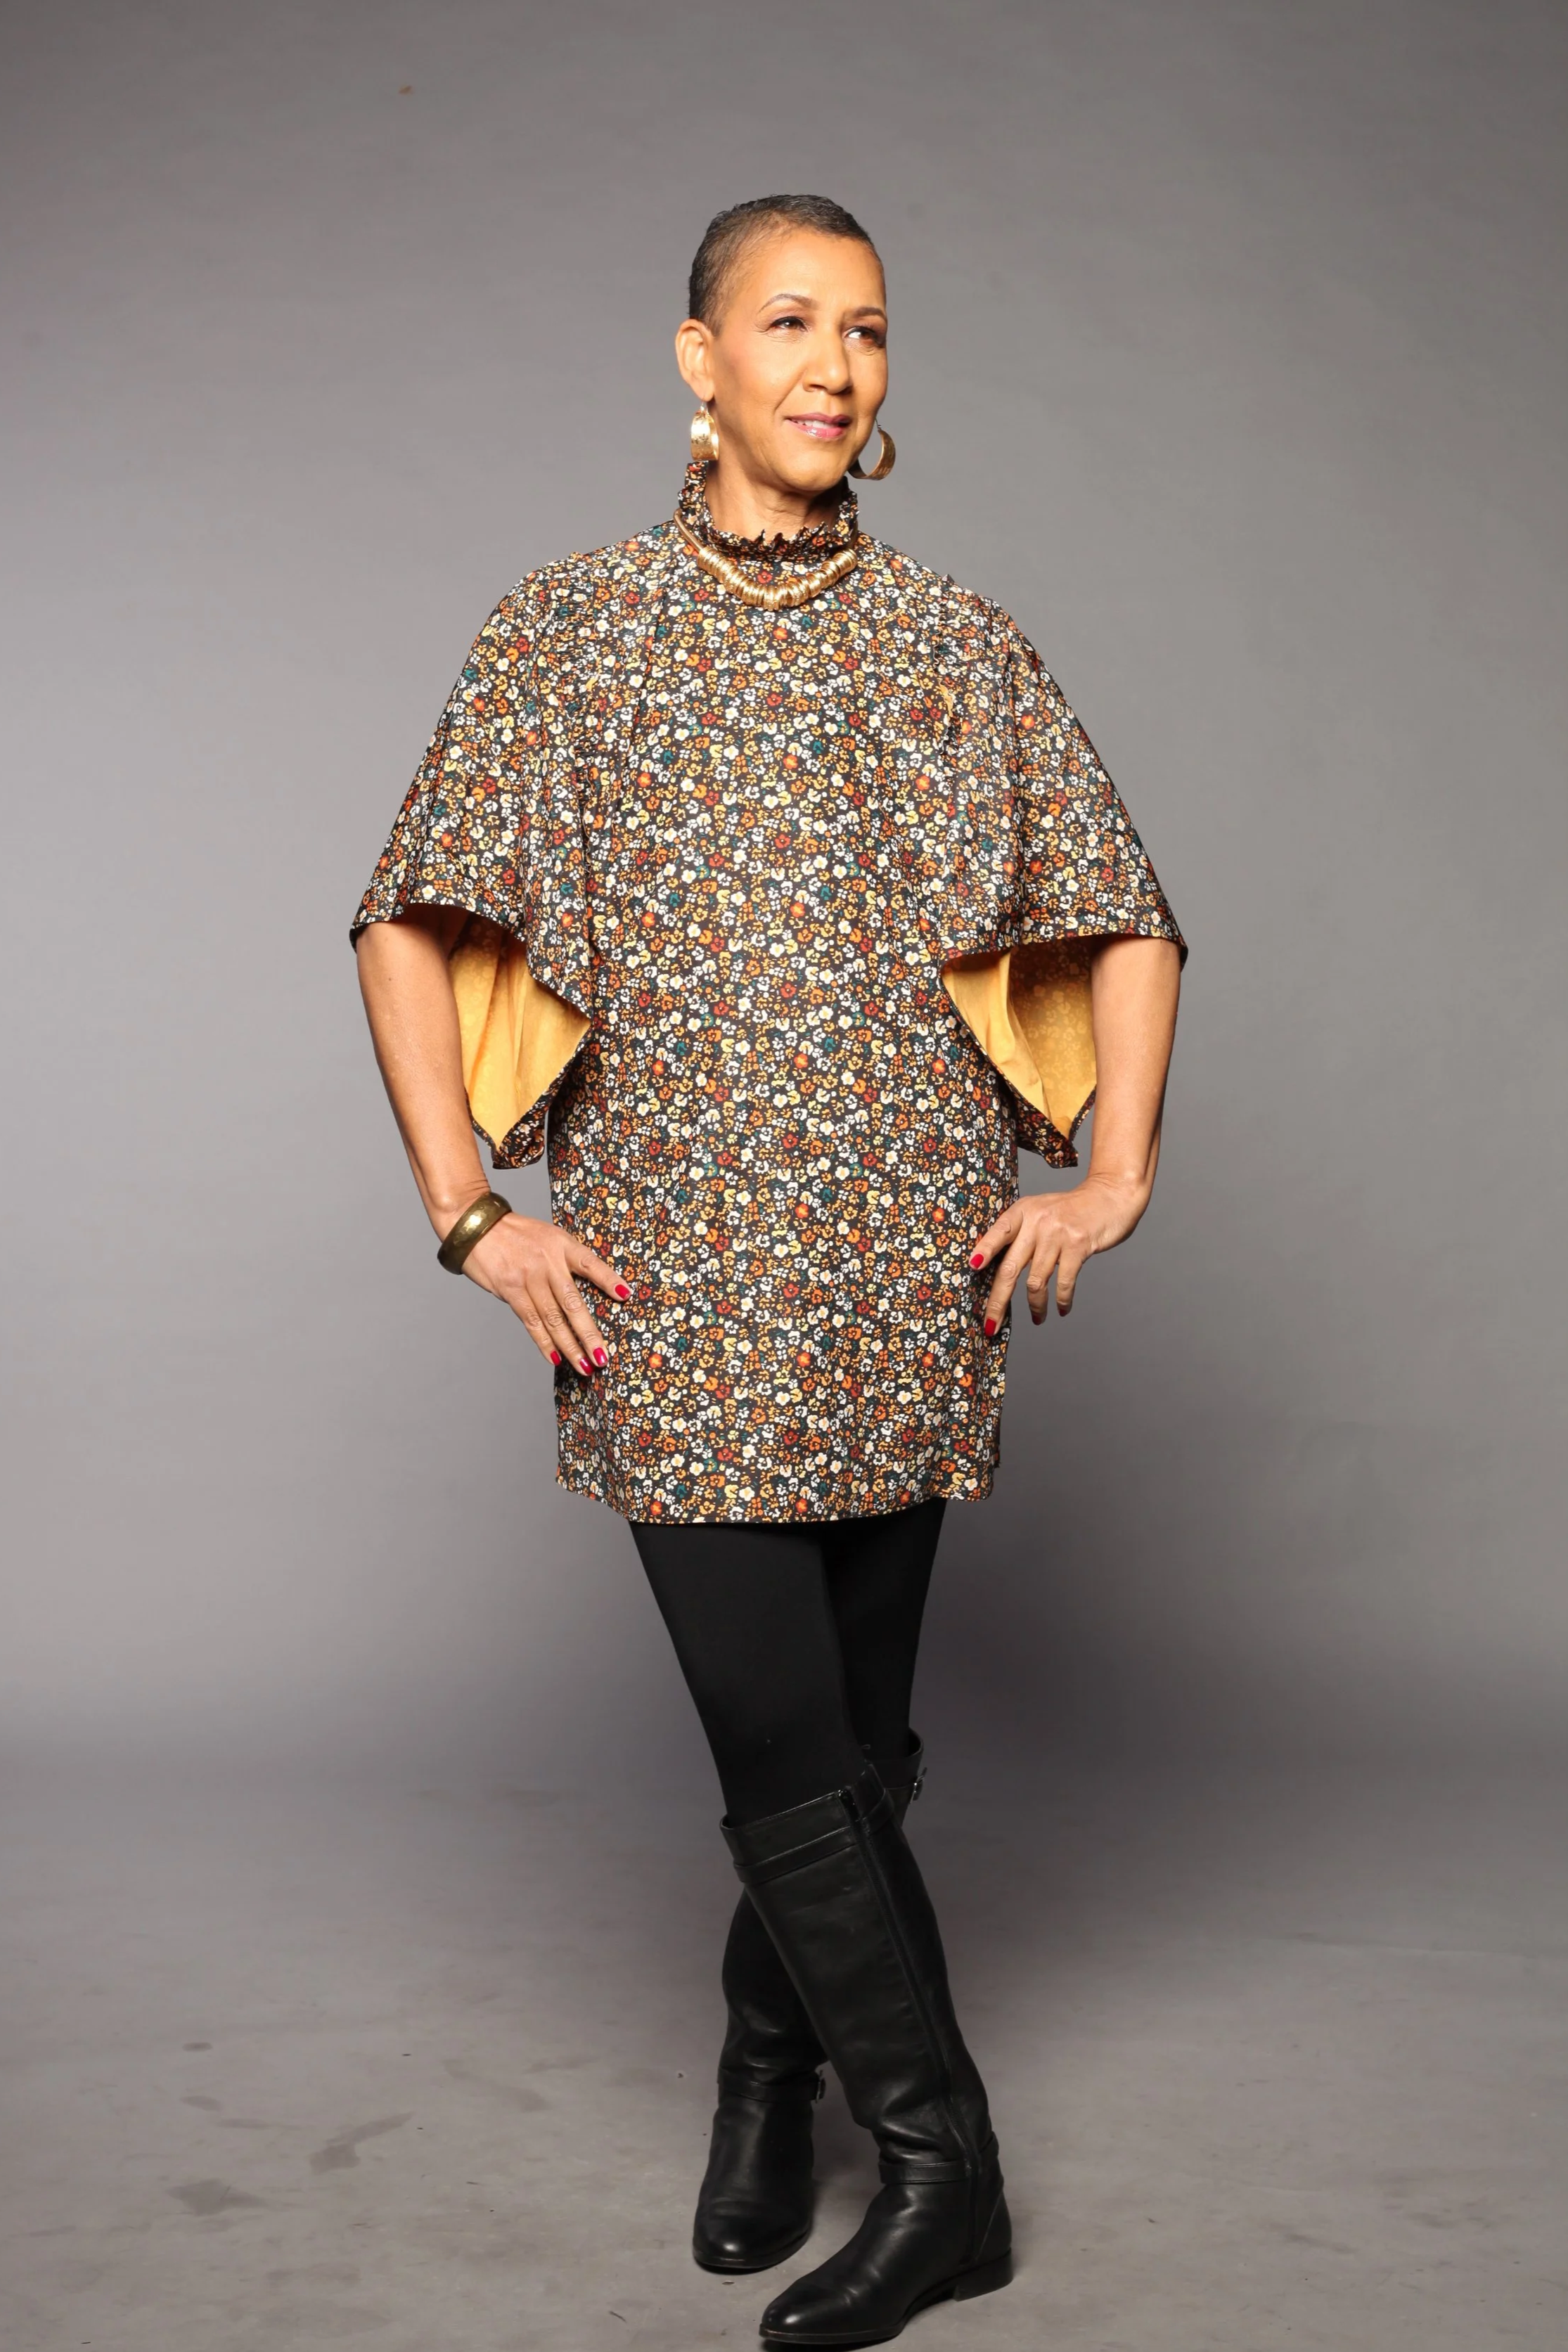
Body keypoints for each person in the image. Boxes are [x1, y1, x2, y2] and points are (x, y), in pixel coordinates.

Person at [352, 193, 1183, 2348]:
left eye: (868, 329)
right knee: (779, 1742)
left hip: (908, 1273)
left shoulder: (953, 641)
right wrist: (469, 1208)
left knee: (853, 1742)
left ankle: (762, 2077)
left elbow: (1123, 917)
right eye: (789, 321)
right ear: (696, 357)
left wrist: (1112, 1167)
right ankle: (944, 2172)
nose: (832, 363)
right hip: (668, 1290)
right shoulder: (573, 629)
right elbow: (408, 920)